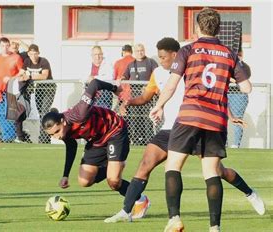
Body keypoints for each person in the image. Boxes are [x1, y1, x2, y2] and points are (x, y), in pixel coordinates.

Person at [105, 37, 265, 223]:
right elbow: (146, 97)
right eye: (159, 57)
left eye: (164, 57)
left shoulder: (189, 66)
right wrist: (130, 102)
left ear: (175, 55)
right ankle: (126, 211)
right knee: (145, 165)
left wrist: (229, 116)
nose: (161, 60)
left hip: (192, 126)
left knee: (218, 171)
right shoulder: (157, 73)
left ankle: (250, 193)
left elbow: (212, 94)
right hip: (168, 129)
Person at [149, 8, 252, 232]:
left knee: (173, 166)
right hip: (215, 120)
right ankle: (215, 227)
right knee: (211, 173)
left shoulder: (188, 50)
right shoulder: (230, 54)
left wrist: (159, 105)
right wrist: (235, 72)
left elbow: (172, 84)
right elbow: (246, 88)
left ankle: (174, 219)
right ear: (219, 28)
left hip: (189, 115)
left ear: (197, 28)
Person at [41, 79, 150, 221]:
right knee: (84, 181)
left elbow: (94, 84)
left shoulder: (80, 112)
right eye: (51, 135)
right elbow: (72, 147)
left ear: (62, 121)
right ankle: (112, 165)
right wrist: (65, 175)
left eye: (56, 131)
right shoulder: (65, 132)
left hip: (114, 131)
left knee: (114, 182)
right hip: (97, 141)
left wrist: (114, 88)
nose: (56, 136)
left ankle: (141, 199)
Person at [122, 43, 158, 145]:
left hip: (147, 96)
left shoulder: (151, 62)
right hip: (134, 96)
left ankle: (149, 140)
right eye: (137, 51)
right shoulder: (131, 64)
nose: (140, 52)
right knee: (135, 118)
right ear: (134, 52)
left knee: (147, 118)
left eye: (141, 50)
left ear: (144, 50)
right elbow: (125, 76)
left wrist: (148, 87)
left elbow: (157, 75)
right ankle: (137, 140)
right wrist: (122, 79)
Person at [20, 44, 56, 144]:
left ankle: (43, 138)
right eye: (31, 54)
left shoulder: (43, 61)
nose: (34, 56)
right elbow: (21, 73)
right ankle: (46, 135)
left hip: (48, 89)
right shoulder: (27, 61)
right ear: (28, 54)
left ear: (38, 53)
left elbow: (44, 76)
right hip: (39, 90)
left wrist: (30, 75)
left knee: (44, 112)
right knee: (41, 113)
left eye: (35, 54)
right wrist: (23, 75)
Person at [0, 37, 24, 142]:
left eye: (7, 45)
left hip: (11, 89)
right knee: (0, 114)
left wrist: (10, 79)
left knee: (11, 113)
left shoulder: (16, 57)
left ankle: (11, 137)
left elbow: (21, 71)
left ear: (9, 46)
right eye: (2, 46)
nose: (5, 48)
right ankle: (5, 137)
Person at [227, 48, 250, 148]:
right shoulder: (227, 64)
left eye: (240, 54)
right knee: (223, 119)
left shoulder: (244, 66)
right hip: (227, 93)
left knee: (238, 118)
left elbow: (245, 78)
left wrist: (233, 79)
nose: (238, 55)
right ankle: (224, 143)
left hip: (239, 95)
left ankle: (236, 144)